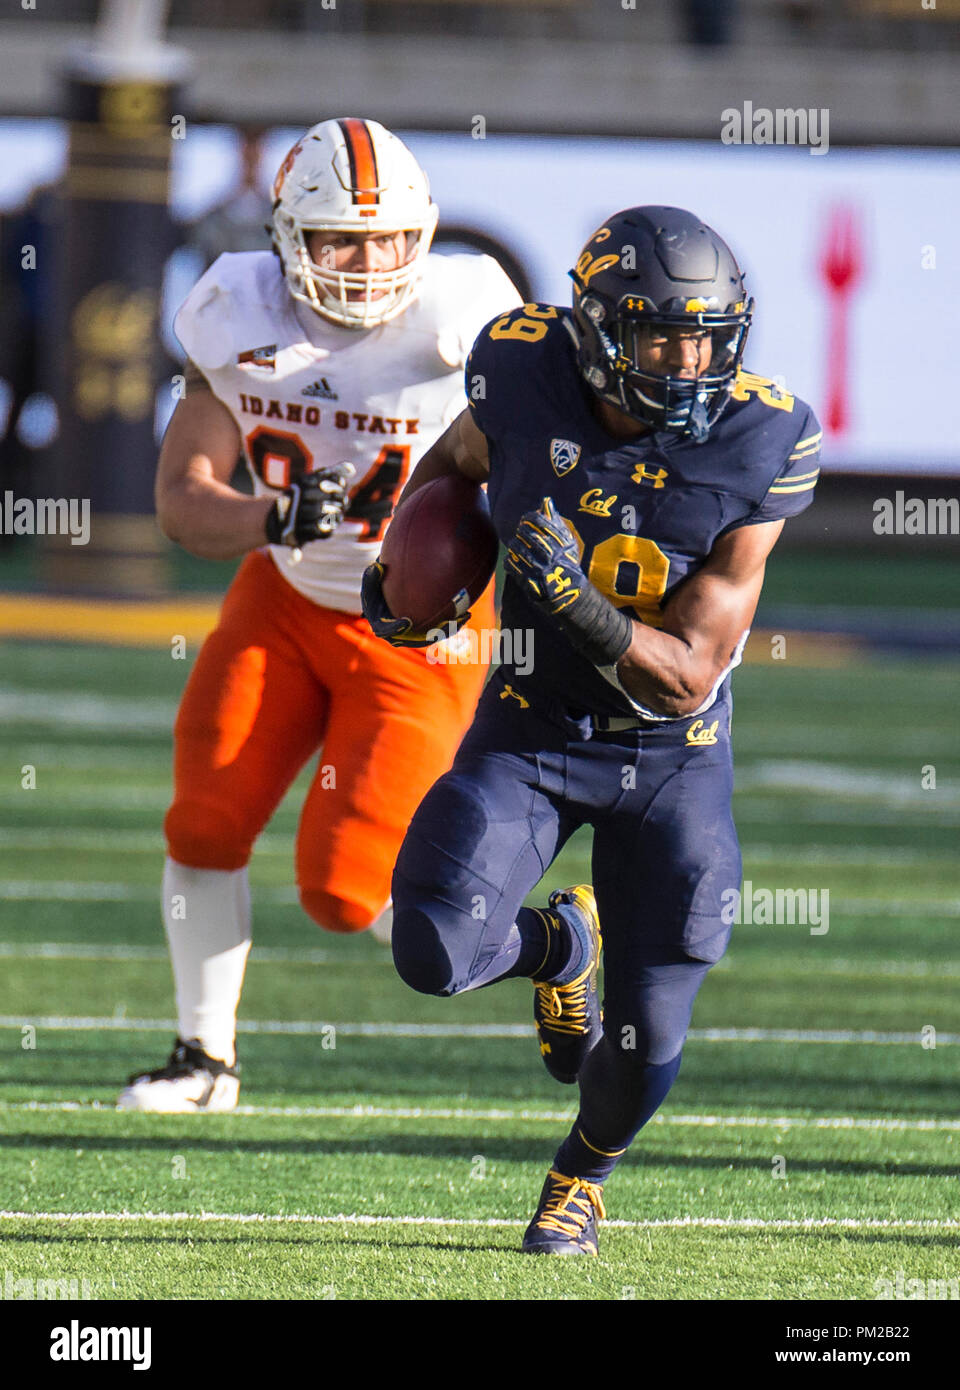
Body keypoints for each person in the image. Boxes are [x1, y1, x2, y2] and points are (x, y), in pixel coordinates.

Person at [363, 206, 820, 1254]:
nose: (688, 359)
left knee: (649, 1026)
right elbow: (454, 462)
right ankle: (557, 942)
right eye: (662, 335)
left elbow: (689, 675)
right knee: (431, 946)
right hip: (532, 722)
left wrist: (574, 601)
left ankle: (582, 1173)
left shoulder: (766, 436)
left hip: (672, 759)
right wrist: (411, 569)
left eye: (707, 336)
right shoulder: (523, 369)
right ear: (601, 330)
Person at [118, 118, 521, 1112]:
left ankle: (548, 940)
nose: (369, 261)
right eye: (342, 237)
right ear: (288, 238)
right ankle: (204, 1061)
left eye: (389, 238)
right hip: (287, 600)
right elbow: (181, 500)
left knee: (346, 891)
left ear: (424, 235)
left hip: (419, 628)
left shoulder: (465, 315)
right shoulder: (234, 311)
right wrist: (268, 515)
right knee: (204, 819)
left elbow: (544, 470)